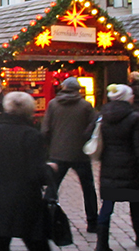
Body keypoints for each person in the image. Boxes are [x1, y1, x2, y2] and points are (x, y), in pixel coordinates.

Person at [0, 92, 52, 251]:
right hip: (25, 202)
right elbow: (37, 174)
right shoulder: (32, 136)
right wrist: (50, 170)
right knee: (38, 244)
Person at [41, 76, 98, 233]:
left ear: (63, 88)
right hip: (80, 154)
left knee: (52, 188)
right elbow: (95, 126)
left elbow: (45, 129)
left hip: (57, 153)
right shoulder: (86, 106)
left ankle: (46, 221)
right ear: (78, 90)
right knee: (88, 189)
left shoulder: (53, 105)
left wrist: (47, 148)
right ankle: (92, 222)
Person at [94, 84, 139, 251]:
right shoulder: (134, 118)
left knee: (107, 206)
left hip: (109, 167)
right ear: (127, 97)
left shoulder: (102, 115)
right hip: (131, 169)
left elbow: (88, 135)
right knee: (136, 205)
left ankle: (101, 243)